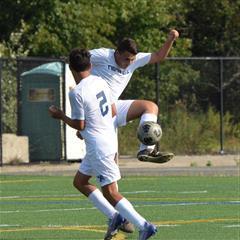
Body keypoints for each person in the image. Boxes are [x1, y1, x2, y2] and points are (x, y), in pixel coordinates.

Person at [48, 48, 157, 240]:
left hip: (99, 146)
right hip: (104, 140)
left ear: (72, 68)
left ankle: (144, 226)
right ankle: (115, 217)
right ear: (90, 66)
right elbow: (112, 111)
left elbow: (80, 124)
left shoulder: (77, 93)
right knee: (80, 182)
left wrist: (61, 116)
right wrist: (88, 130)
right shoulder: (100, 81)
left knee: (111, 192)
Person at [82, 29, 179, 164]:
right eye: (126, 58)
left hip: (114, 107)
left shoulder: (135, 60)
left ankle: (146, 149)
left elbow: (159, 56)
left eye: (132, 59)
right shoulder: (103, 55)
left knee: (150, 107)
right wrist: (83, 84)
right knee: (111, 163)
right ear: (117, 53)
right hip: (98, 111)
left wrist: (170, 40)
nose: (129, 62)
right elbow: (78, 60)